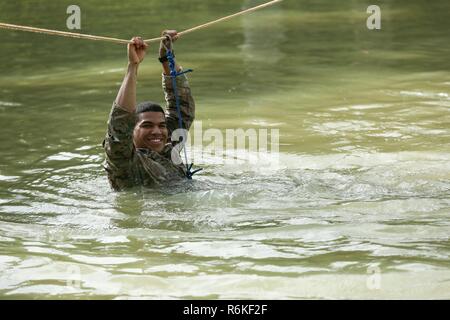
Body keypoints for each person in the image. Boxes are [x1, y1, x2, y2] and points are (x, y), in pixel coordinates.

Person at [102, 30, 195, 190]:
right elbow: (120, 126)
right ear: (131, 132)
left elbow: (182, 107)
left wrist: (167, 56)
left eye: (161, 125)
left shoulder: (167, 146)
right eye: (147, 126)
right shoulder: (125, 163)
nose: (157, 131)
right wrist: (133, 66)